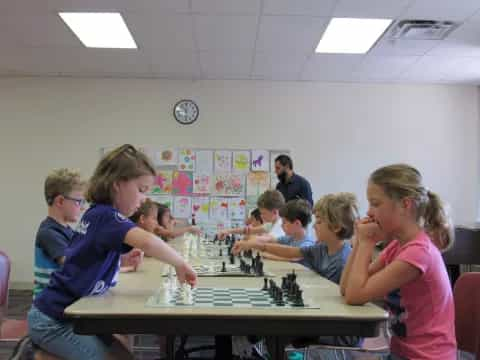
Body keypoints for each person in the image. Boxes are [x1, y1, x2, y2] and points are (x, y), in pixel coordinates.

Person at [28, 144, 197, 360]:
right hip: (54, 321)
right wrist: (180, 263)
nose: (144, 198)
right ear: (117, 184)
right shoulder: (106, 216)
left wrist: (124, 257)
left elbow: (88, 257)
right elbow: (147, 241)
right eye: (141, 190)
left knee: (124, 355)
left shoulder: (97, 215)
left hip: (72, 312)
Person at [341, 164, 456, 359]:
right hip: (402, 354)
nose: (369, 212)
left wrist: (367, 242)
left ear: (405, 204)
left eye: (375, 204)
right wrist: (360, 243)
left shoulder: (419, 253)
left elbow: (355, 295)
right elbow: (346, 288)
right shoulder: (397, 246)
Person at [34, 169, 86, 299]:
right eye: (79, 202)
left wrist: (121, 262)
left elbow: (86, 255)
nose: (83, 207)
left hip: (61, 301)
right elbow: (74, 265)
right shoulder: (48, 233)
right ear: (60, 201)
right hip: (48, 311)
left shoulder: (69, 231)